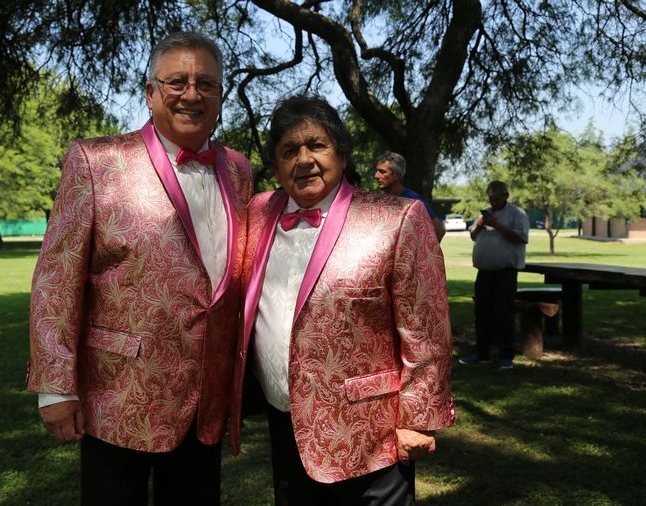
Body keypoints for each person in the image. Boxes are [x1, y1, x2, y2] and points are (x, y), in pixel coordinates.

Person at [26, 31, 252, 505]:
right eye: (177, 82)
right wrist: (54, 387)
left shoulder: (237, 169)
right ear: (150, 93)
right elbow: (57, 279)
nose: (192, 94)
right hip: (117, 392)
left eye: (206, 84)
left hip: (204, 397)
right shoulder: (96, 160)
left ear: (220, 96)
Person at [229, 96, 455, 506]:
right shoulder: (257, 213)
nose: (304, 160)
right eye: (289, 150)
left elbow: (426, 328)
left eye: (317, 145)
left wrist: (419, 419)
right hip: (285, 421)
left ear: (342, 154)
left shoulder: (397, 218)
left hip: (370, 432)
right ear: (276, 166)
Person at [459, 181, 529, 370]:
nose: (493, 202)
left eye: (497, 199)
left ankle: (506, 356)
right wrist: (480, 225)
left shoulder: (517, 214)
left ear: (506, 196)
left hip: (505, 273)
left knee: (504, 313)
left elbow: (522, 238)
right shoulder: (485, 215)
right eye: (491, 199)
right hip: (484, 272)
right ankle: (482, 353)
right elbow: (473, 236)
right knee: (482, 313)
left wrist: (497, 225)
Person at [374, 152, 446, 242]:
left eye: (382, 172)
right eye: (377, 171)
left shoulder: (412, 200)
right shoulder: (382, 200)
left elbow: (439, 230)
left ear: (397, 175)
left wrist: (419, 250)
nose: (376, 176)